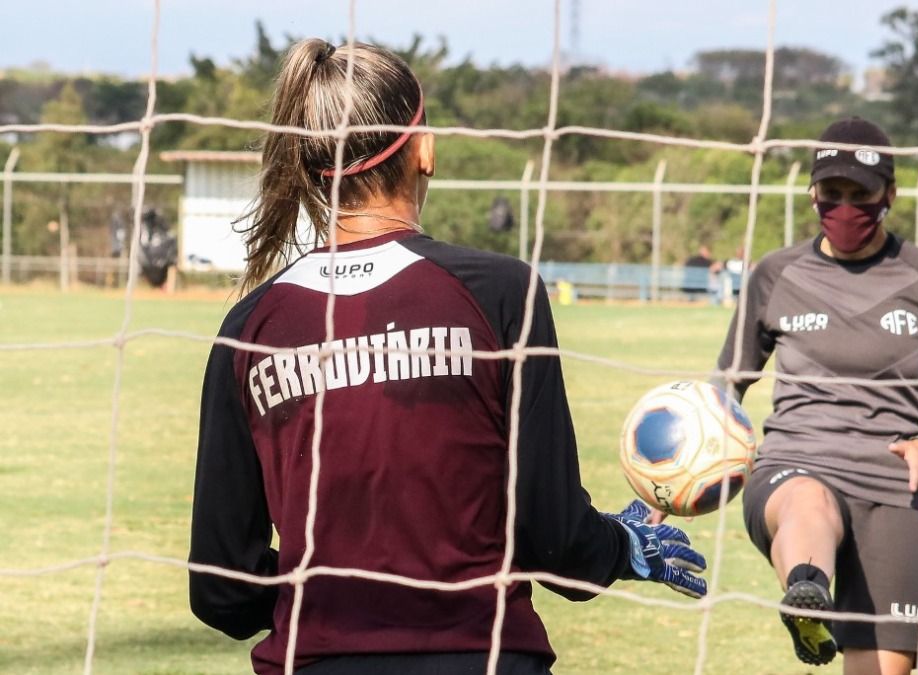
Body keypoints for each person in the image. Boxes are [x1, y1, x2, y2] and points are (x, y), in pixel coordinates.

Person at [188, 39, 708, 675]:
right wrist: (616, 546)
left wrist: (322, 598)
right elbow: (554, 542)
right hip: (484, 656)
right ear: (423, 148)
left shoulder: (251, 325)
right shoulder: (502, 293)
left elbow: (219, 588)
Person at [713, 117, 918, 674]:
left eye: (860, 194)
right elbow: (725, 387)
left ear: (890, 194)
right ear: (813, 192)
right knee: (808, 500)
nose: (844, 208)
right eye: (832, 193)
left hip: (894, 482)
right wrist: (680, 459)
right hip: (794, 464)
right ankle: (806, 594)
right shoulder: (775, 274)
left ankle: (814, 603)